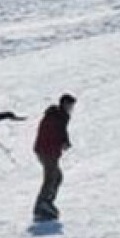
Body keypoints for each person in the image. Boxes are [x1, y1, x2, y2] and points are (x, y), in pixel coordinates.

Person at [32, 94, 75, 222]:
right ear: (64, 104)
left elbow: (62, 131)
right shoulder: (55, 116)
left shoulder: (60, 116)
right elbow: (54, 131)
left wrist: (64, 141)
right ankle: (42, 204)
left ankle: (47, 202)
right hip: (46, 150)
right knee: (51, 177)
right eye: (70, 105)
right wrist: (62, 141)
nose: (71, 108)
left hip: (49, 150)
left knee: (57, 176)